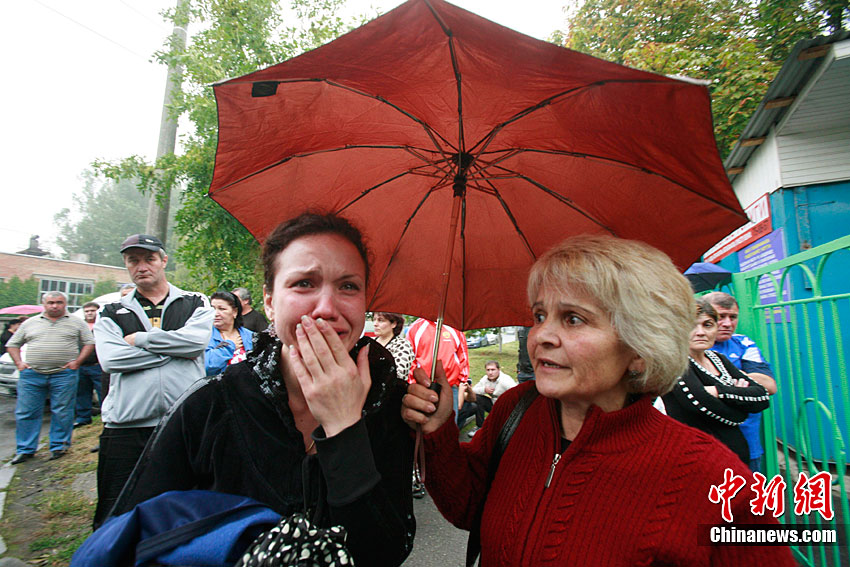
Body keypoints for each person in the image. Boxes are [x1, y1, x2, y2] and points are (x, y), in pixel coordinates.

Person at [402, 235, 795, 566]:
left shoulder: (711, 476)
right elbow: (470, 508)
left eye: (573, 318)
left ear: (641, 347)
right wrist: (438, 431)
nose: (541, 336)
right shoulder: (517, 409)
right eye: (539, 315)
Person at [109, 213, 414, 566]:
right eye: (304, 283)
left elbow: (389, 550)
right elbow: (128, 538)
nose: (327, 308)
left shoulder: (390, 405)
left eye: (349, 286)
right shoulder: (212, 405)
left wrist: (345, 430)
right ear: (269, 301)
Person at [92, 234, 213, 528]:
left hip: (183, 422)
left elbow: (195, 344)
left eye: (149, 259)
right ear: (126, 265)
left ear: (163, 261)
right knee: (116, 509)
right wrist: (172, 352)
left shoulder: (194, 302)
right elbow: (112, 360)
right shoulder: (110, 311)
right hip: (126, 425)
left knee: (184, 505)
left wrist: (141, 339)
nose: (141, 266)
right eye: (133, 260)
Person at [661, 299, 770, 463]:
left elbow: (762, 397)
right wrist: (741, 401)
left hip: (736, 458)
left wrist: (718, 391)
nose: (700, 332)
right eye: (691, 326)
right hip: (699, 460)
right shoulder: (675, 363)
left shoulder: (718, 359)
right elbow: (701, 404)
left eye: (708, 325)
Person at [6, 292, 95, 463]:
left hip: (64, 374)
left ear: (65, 303)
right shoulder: (30, 323)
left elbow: (89, 342)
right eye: (51, 302)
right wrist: (19, 363)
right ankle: (25, 449)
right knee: (26, 412)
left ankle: (59, 446)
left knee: (62, 411)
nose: (55, 306)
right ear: (44, 304)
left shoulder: (77, 322)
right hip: (32, 375)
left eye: (59, 302)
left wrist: (78, 362)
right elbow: (12, 344)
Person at [704, 291, 778, 473]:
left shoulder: (743, 343)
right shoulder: (691, 344)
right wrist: (739, 382)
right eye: (721, 316)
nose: (728, 323)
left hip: (746, 442)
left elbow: (769, 386)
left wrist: (719, 381)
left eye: (733, 317)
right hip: (705, 443)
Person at [407, 317, 470, 422]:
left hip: (450, 387)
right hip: (423, 387)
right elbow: (410, 358)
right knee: (424, 422)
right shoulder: (416, 327)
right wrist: (413, 383)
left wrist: (459, 381)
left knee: (450, 423)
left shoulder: (455, 328)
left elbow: (462, 355)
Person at [458, 360, 516, 437]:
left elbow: (518, 393)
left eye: (493, 370)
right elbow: (473, 390)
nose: (490, 373)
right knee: (477, 398)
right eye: (488, 370)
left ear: (498, 370)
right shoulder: (485, 379)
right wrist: (484, 389)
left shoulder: (505, 381)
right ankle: (480, 426)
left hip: (507, 408)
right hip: (494, 405)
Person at [205, 291, 254, 376]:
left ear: (235, 312)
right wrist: (229, 346)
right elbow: (207, 366)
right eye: (213, 309)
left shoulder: (250, 336)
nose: (215, 314)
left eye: (222, 309)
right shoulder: (205, 336)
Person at [74, 302, 103, 428]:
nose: (89, 313)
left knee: (103, 392)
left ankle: (106, 416)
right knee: (82, 393)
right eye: (87, 311)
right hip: (81, 365)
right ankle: (83, 418)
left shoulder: (102, 325)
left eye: (92, 310)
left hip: (97, 365)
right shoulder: (79, 326)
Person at [373, 311, 415, 381]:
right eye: (374, 319)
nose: (375, 324)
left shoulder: (402, 345)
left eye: (381, 320)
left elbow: (399, 374)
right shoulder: (369, 343)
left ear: (393, 324)